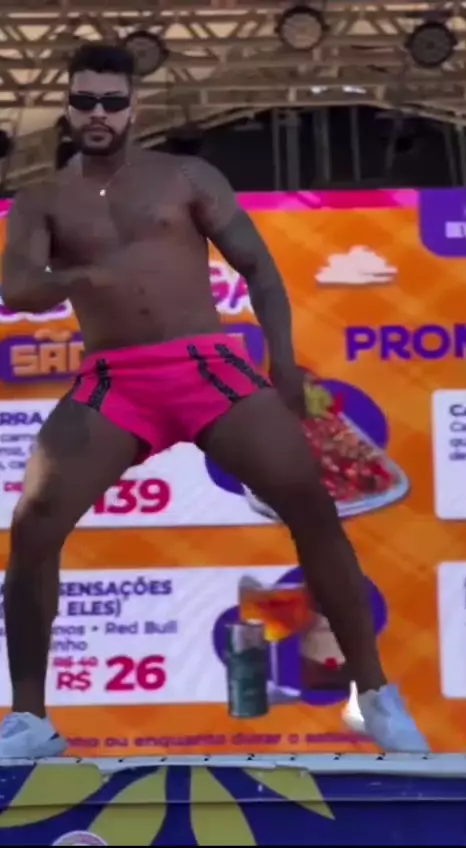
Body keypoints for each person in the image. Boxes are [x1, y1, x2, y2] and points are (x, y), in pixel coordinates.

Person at [0, 41, 429, 760]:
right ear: (67, 108)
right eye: (84, 101)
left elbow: (258, 266)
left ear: (134, 107)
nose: (98, 113)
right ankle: (30, 719)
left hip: (205, 366)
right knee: (34, 524)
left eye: (111, 101)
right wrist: (81, 274)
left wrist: (282, 360)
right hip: (115, 380)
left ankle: (372, 693)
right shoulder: (44, 199)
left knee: (310, 504)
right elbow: (17, 288)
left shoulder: (186, 176)